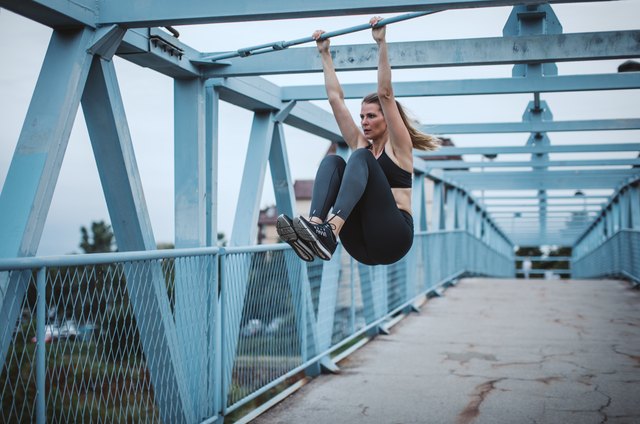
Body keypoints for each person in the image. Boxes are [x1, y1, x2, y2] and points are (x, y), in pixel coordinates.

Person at [277, 16, 439, 265]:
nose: (363, 121)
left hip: (393, 238)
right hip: (360, 244)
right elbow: (335, 99)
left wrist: (381, 43)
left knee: (360, 155)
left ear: (387, 119)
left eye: (371, 116)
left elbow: (386, 94)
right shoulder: (361, 143)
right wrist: (324, 54)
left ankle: (329, 231)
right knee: (333, 161)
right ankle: (317, 229)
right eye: (361, 116)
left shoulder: (399, 147)